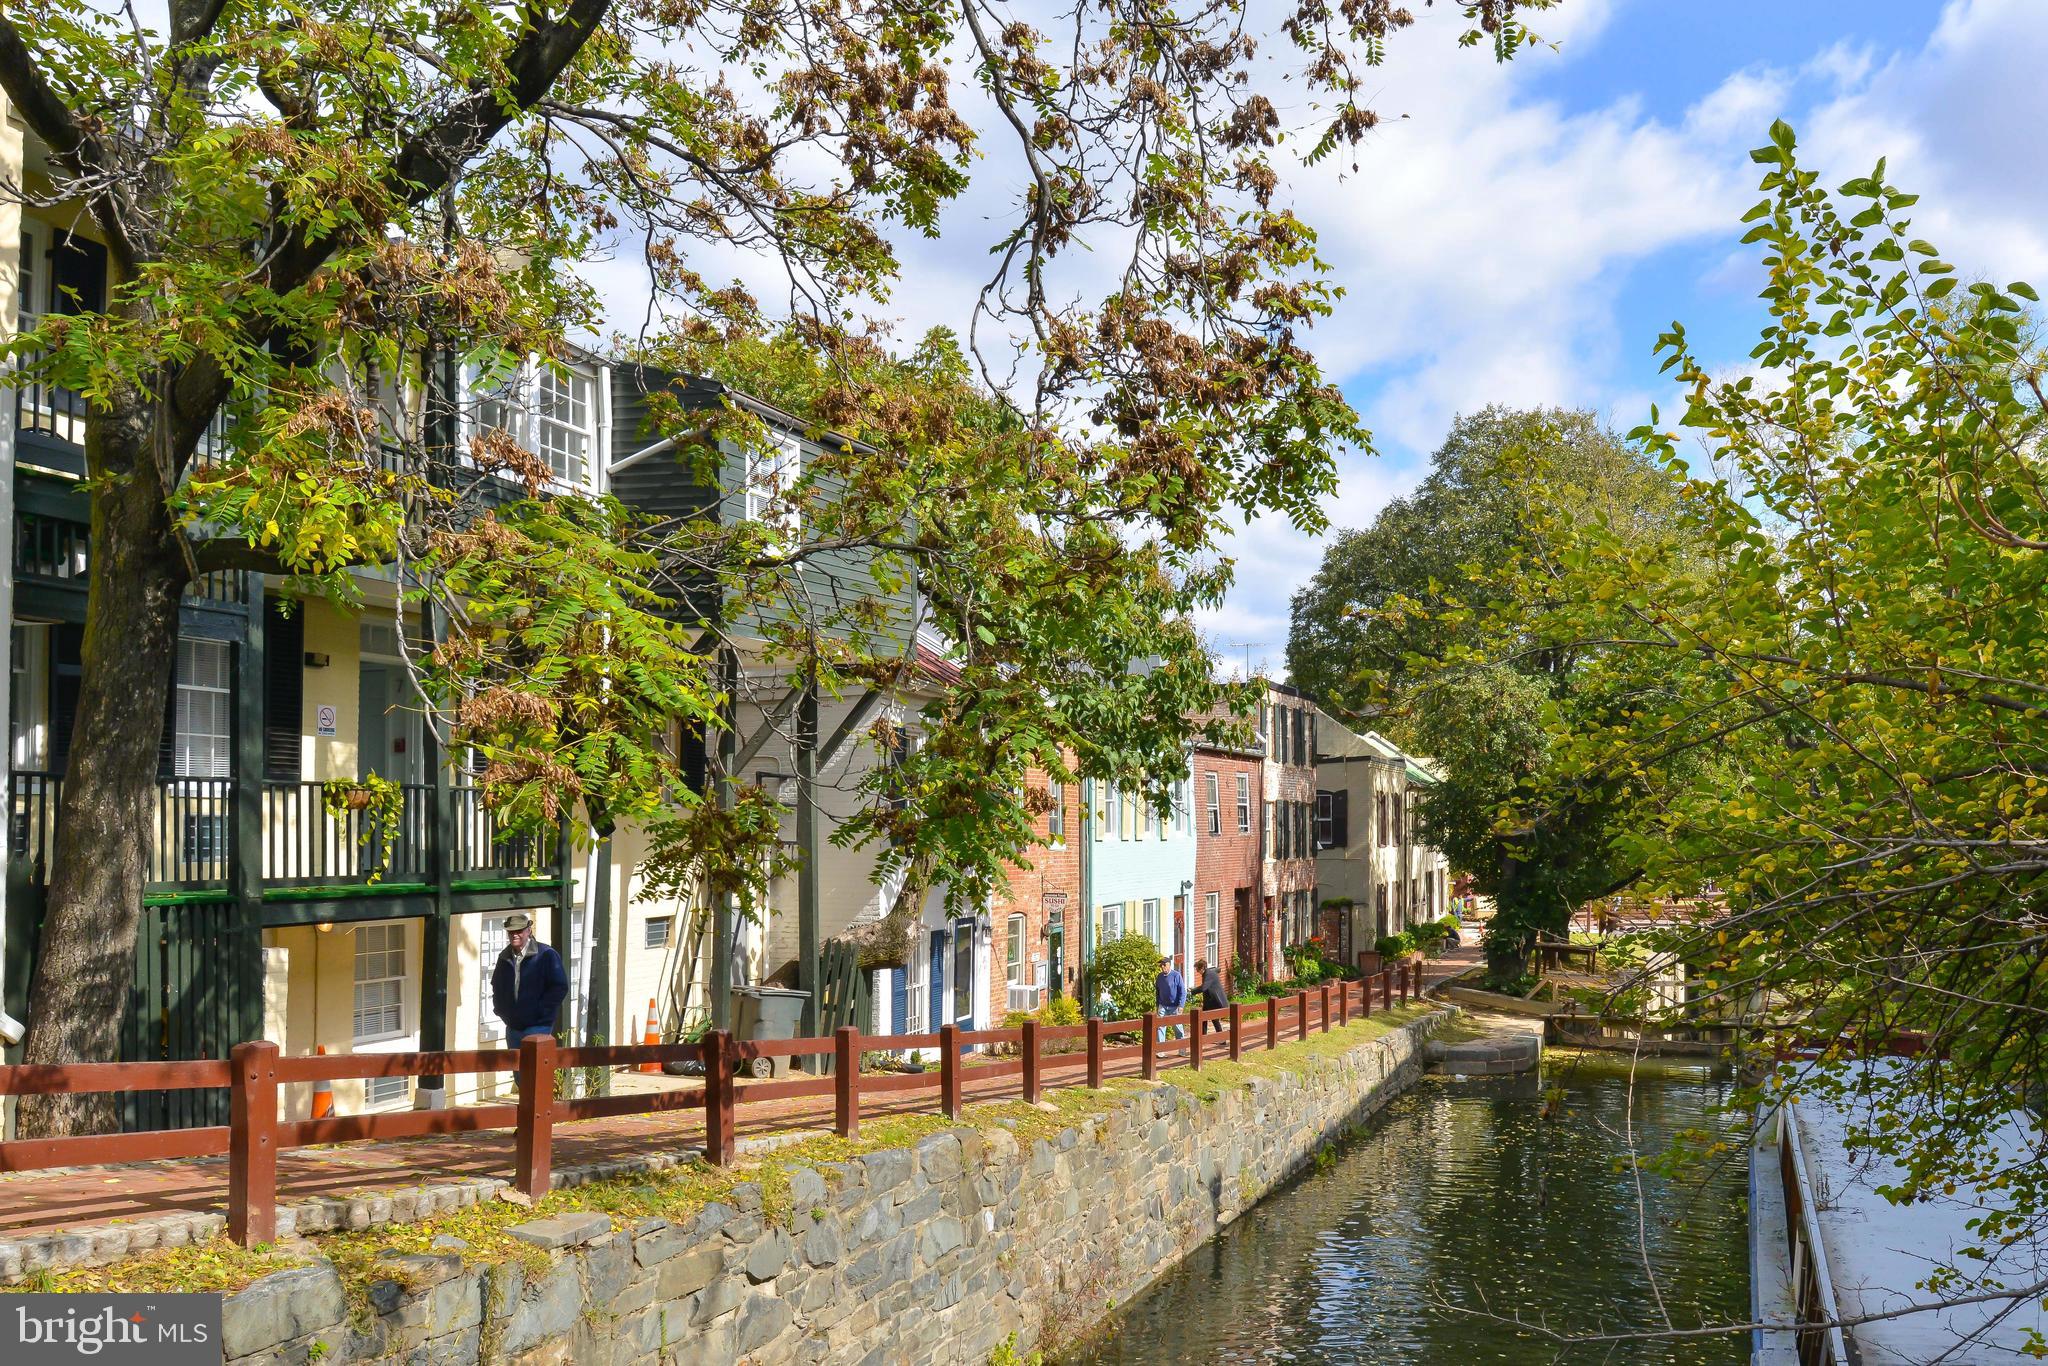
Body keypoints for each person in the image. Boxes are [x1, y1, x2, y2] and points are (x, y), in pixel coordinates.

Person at [492, 913, 569, 1086]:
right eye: (511, 932)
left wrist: (542, 1013)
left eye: (519, 930)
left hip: (538, 1026)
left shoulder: (546, 954)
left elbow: (559, 986)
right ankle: (525, 1112)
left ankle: (540, 1112)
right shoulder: (504, 957)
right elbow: (496, 985)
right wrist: (502, 1011)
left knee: (536, 1076)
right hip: (513, 1026)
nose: (515, 935)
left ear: (529, 930)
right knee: (520, 1076)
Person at [1154, 955, 1186, 1041]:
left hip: (1175, 1006)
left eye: (1164, 965)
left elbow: (1182, 991)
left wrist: (1181, 1005)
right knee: (1160, 1027)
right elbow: (1157, 991)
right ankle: (1161, 1051)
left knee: (1177, 1027)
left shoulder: (1176, 975)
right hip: (1163, 1005)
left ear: (1169, 965)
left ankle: (1182, 1049)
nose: (1162, 967)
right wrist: (1157, 1005)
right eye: (1161, 965)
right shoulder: (1159, 976)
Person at [1195, 958, 1228, 1031]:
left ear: (1202, 968)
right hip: (1209, 1002)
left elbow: (1204, 987)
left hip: (1215, 1001)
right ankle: (1202, 1038)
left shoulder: (1208, 974)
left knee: (1214, 1020)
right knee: (1203, 1019)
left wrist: (1193, 991)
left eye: (1198, 970)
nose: (1197, 972)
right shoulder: (1207, 973)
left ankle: (1222, 1040)